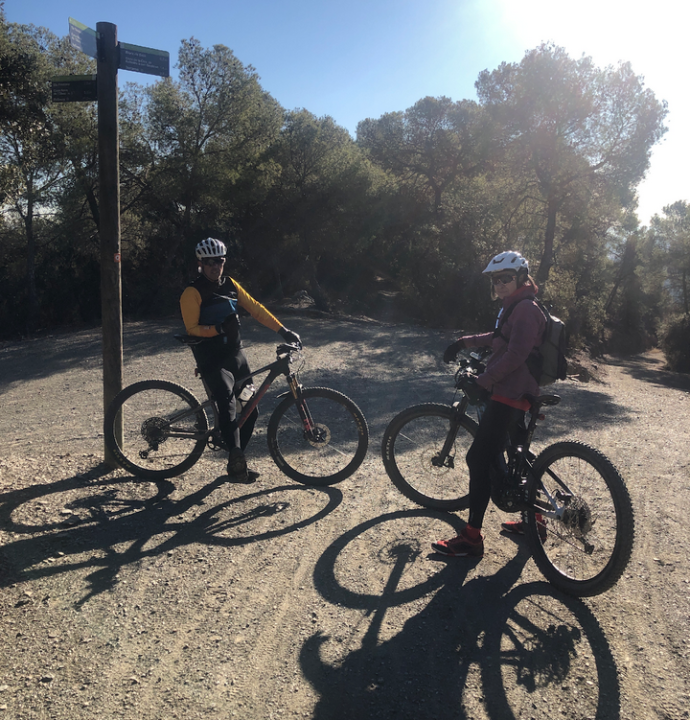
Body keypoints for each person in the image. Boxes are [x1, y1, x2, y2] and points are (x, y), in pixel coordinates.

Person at [432, 250, 546, 557]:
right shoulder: (517, 306)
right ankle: (534, 519)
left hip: (509, 394)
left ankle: (471, 539)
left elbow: (515, 355)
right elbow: (498, 340)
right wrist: (463, 342)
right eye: (496, 280)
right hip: (517, 391)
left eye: (506, 279)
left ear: (522, 277)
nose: (500, 285)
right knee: (517, 454)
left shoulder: (524, 309)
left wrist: (482, 381)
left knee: (477, 460)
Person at [180, 238, 301, 483]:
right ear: (200, 264)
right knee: (226, 402)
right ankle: (235, 461)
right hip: (211, 357)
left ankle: (237, 459)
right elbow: (191, 329)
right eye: (210, 262)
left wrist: (283, 330)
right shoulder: (192, 292)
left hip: (236, 355)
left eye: (220, 261)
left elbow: (255, 308)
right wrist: (219, 329)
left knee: (251, 410)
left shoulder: (231, 285)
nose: (215, 266)